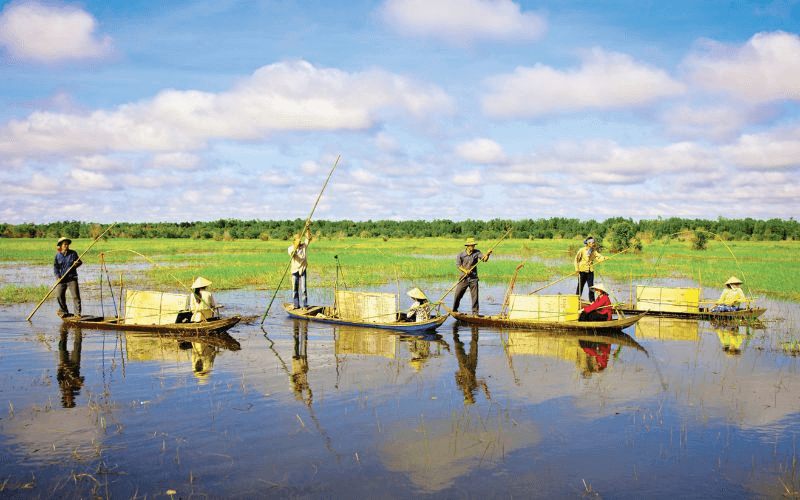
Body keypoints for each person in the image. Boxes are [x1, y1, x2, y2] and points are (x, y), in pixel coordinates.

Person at [452, 237, 492, 315]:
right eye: (472, 245)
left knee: (475, 297)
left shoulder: (477, 252)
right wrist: (465, 271)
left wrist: (488, 254)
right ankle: (454, 310)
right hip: (463, 278)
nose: (473, 247)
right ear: (467, 246)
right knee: (457, 295)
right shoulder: (461, 254)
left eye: (474, 245)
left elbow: (484, 259)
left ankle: (475, 313)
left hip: (473, 279)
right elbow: (458, 265)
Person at [53, 236, 82, 318]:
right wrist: (58, 276)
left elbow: (80, 262)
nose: (66, 246)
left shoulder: (73, 253)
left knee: (76, 296)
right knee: (59, 296)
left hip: (72, 278)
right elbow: (55, 267)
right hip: (61, 279)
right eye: (64, 244)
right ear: (60, 246)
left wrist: (76, 264)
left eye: (67, 244)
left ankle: (77, 314)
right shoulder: (57, 255)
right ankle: (63, 311)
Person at [575, 237, 606, 302]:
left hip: (590, 270)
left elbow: (598, 257)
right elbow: (576, 260)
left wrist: (603, 258)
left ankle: (592, 300)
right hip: (582, 270)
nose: (593, 244)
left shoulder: (593, 251)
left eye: (593, 243)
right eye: (591, 243)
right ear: (588, 243)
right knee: (580, 285)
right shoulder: (582, 250)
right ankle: (577, 299)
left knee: (591, 286)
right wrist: (577, 269)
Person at [288, 223, 312, 309]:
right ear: (294, 241)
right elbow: (292, 253)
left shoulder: (304, 246)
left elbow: (308, 238)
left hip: (303, 269)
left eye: (300, 241)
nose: (299, 243)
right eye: (297, 241)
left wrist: (307, 228)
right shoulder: (291, 248)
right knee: (295, 289)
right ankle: (296, 305)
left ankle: (305, 305)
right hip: (295, 271)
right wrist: (295, 246)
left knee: (304, 289)